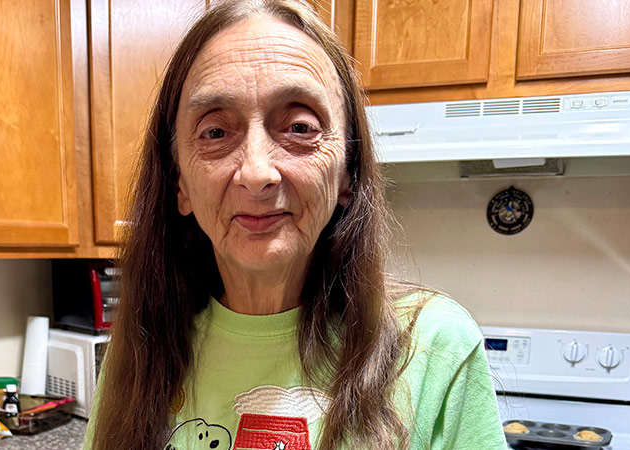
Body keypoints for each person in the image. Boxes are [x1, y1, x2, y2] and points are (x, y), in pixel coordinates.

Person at [84, 1, 507, 449]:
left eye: (300, 127)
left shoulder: (434, 346)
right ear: (180, 183)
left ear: (347, 174)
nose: (256, 173)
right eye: (215, 132)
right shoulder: (140, 350)